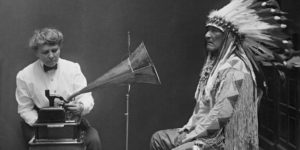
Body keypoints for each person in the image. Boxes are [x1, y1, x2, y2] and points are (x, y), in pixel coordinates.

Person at [150, 0, 292, 149]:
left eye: (215, 30)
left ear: (229, 37)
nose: (207, 35)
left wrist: (193, 135)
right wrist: (189, 126)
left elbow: (221, 114)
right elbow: (203, 106)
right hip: (206, 132)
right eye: (207, 29)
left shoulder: (236, 68)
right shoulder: (215, 65)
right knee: (158, 139)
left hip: (223, 140)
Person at [16, 28, 102, 150]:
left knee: (93, 139)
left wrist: (81, 107)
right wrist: (42, 122)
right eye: (45, 52)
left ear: (60, 47)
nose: (51, 56)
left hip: (71, 122)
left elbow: (86, 96)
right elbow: (25, 109)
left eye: (55, 50)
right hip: (40, 126)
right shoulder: (24, 76)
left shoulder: (73, 68)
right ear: (36, 53)